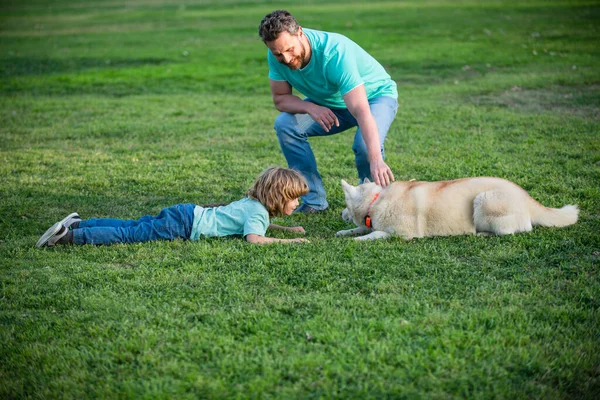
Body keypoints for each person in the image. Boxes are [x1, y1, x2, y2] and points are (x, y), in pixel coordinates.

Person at [258, 10, 398, 214]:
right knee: (286, 126)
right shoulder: (276, 55)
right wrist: (310, 107)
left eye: (289, 50)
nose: (286, 59)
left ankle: (372, 201)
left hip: (375, 98)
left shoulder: (334, 52)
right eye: (278, 53)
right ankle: (313, 201)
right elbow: (280, 98)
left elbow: (360, 109)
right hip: (331, 106)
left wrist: (376, 159)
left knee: (364, 146)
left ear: (300, 33)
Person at [36, 167, 310, 247]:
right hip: (184, 226)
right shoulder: (257, 213)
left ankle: (80, 223)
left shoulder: (254, 205)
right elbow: (254, 238)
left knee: (134, 225)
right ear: (277, 196)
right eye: (294, 198)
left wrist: (284, 226)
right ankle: (68, 237)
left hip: (186, 212)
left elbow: (250, 225)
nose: (297, 203)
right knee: (130, 235)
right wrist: (291, 239)